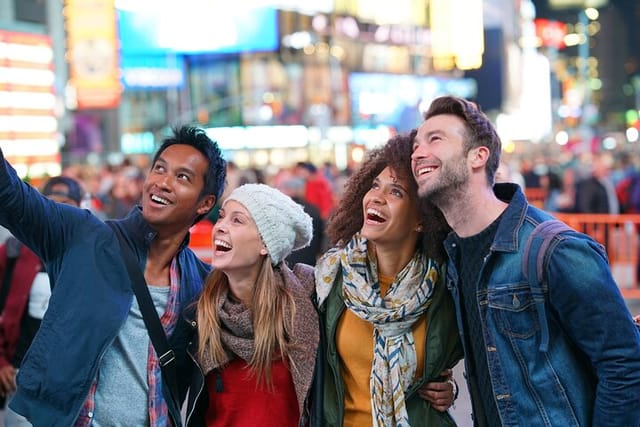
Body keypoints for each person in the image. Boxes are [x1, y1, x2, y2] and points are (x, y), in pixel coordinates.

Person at [411, 95, 640, 426]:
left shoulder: (554, 248)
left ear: (478, 156)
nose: (418, 152)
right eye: (416, 143)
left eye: (435, 139)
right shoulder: (453, 256)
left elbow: (624, 364)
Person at [0, 125, 227, 426]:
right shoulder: (84, 236)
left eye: (182, 177)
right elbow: (12, 198)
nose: (163, 182)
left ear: (205, 203)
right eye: (159, 169)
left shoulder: (200, 282)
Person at [314, 131, 463, 427]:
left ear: (422, 218)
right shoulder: (332, 278)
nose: (376, 198)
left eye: (396, 192)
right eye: (374, 185)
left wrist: (451, 389)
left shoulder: (445, 287)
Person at [186, 183, 318, 426]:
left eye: (237, 221)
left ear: (265, 244)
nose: (221, 227)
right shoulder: (199, 312)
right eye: (222, 217)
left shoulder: (306, 304)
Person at [0, 176, 84, 426]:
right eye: (50, 204)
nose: (57, 213)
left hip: (72, 384)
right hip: (20, 378)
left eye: (66, 204)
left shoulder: (92, 256)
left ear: (81, 208)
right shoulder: (13, 252)